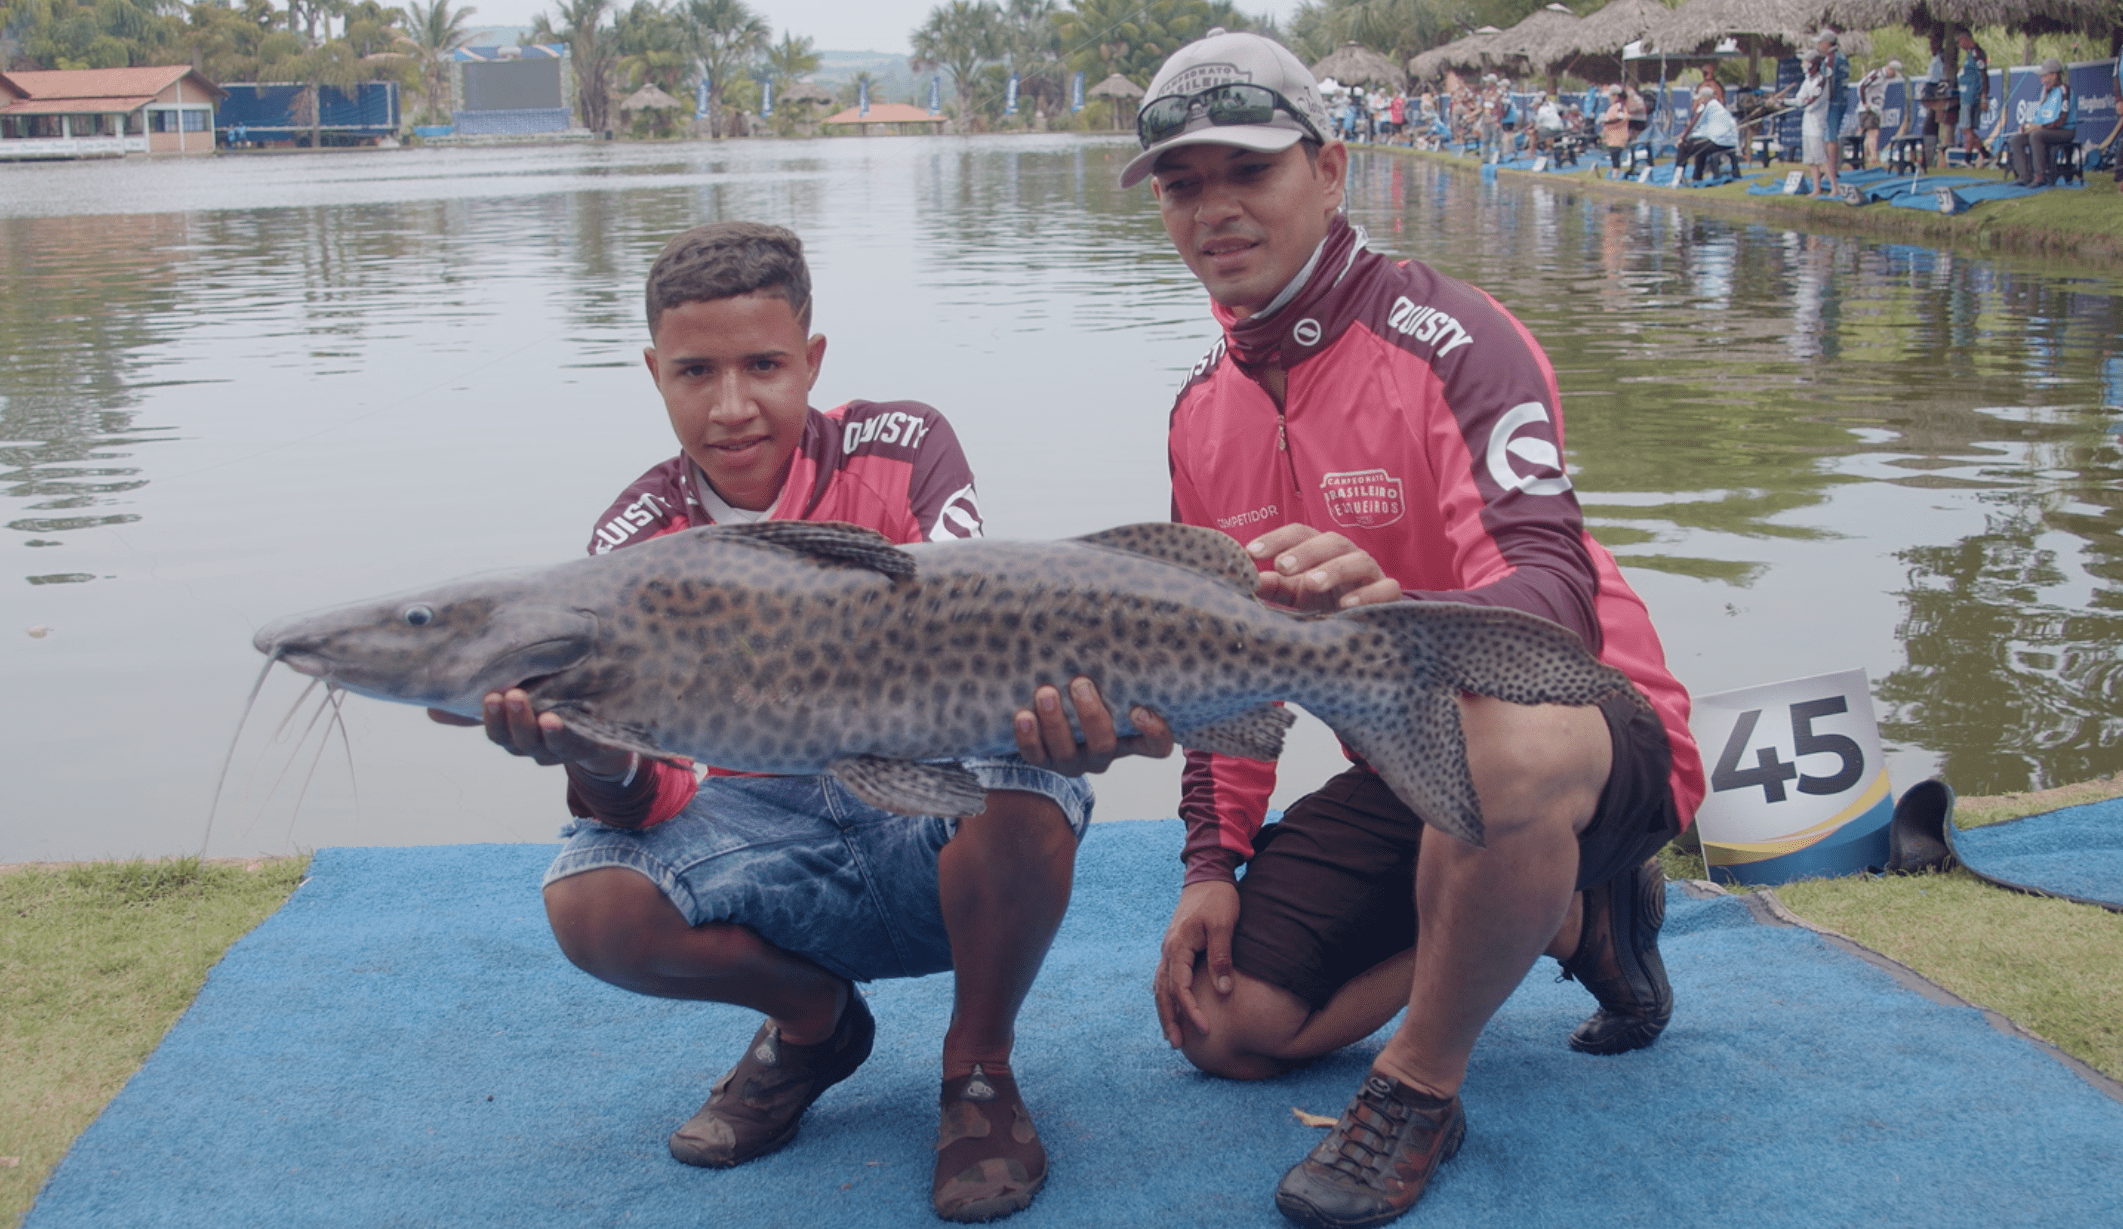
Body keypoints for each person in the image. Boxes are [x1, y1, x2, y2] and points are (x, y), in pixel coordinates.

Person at [1107, 29, 1704, 1229]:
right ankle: (1577, 912)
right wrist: (1209, 866)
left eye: (1246, 170)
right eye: (1181, 183)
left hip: (1583, 734)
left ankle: (1419, 1086)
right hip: (1418, 770)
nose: (1211, 208)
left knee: (1509, 751)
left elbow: (1555, 592)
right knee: (1225, 1024)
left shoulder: (1456, 337)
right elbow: (1228, 669)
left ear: (1328, 170)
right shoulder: (1195, 414)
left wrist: (1393, 613)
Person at [430, 221, 1141, 1224]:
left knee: (1028, 777)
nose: (731, 405)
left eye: (763, 364)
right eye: (695, 371)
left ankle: (977, 1064)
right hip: (769, 831)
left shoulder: (905, 448)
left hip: (921, 808)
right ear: (653, 373)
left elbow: (966, 622)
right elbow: (650, 796)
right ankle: (812, 1024)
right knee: (589, 897)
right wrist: (590, 744)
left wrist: (1096, 715)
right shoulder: (626, 546)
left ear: (811, 359)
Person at [2006, 58, 2074, 188]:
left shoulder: (2064, 90)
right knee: (2016, 140)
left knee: (2036, 136)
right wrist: (2028, 126)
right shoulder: (2046, 92)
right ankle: (2025, 176)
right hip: (2047, 129)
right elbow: (2040, 117)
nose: (2042, 77)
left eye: (2045, 75)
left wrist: (2039, 127)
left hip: (2065, 131)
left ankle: (2040, 176)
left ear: (2054, 75)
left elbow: (2062, 120)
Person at [1675, 83, 1739, 182]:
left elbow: (1694, 123)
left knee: (1683, 146)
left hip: (1718, 141)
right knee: (1700, 147)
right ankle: (1697, 177)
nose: (1698, 101)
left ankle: (1678, 177)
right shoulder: (1719, 106)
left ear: (1704, 98)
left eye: (1699, 98)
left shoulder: (1706, 105)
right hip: (1731, 142)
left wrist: (1682, 138)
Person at [1855, 59, 1905, 169]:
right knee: (1873, 132)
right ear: (1890, 69)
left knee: (1869, 133)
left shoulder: (1885, 78)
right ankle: (1873, 158)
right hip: (1869, 109)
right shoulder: (1876, 75)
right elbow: (1862, 86)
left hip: (1875, 108)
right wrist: (1865, 103)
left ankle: (1866, 157)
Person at [1954, 32, 1990, 164]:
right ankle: (1977, 157)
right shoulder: (1970, 54)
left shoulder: (1977, 54)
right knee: (1968, 129)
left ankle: (1978, 156)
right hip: (1966, 95)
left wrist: (1984, 96)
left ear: (1966, 39)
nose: (1959, 45)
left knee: (1966, 128)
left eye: (1959, 41)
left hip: (1970, 96)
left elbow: (1983, 74)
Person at [1819, 30, 1851, 170]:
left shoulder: (1831, 58)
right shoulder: (1843, 57)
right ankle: (1832, 168)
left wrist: (1825, 100)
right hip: (1843, 100)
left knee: (1830, 137)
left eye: (1820, 42)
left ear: (1827, 43)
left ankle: (1831, 169)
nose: (1819, 45)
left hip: (1833, 102)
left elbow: (1829, 81)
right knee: (1833, 135)